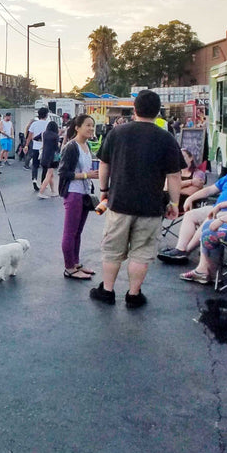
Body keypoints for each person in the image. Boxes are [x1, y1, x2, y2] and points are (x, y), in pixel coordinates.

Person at [90, 89, 183, 308]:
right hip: (150, 206)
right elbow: (174, 175)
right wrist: (174, 202)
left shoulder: (117, 133)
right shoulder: (166, 138)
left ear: (134, 109)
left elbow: (104, 164)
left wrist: (104, 190)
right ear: (158, 112)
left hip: (119, 202)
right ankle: (133, 295)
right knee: (141, 254)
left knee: (112, 250)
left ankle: (107, 291)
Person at [157, 149, 227, 264]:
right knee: (190, 214)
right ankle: (180, 249)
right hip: (216, 207)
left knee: (210, 218)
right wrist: (191, 198)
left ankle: (185, 252)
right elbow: (210, 190)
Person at [57, 115, 99, 280]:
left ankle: (76, 263)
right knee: (70, 232)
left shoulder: (87, 145)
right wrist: (85, 175)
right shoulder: (71, 147)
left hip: (85, 192)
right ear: (77, 127)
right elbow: (63, 172)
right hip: (73, 193)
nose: (90, 129)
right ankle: (69, 267)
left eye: (92, 126)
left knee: (78, 232)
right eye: (87, 125)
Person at [179, 193, 227, 285]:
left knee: (209, 234)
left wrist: (225, 219)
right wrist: (220, 205)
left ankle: (211, 274)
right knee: (209, 224)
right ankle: (205, 270)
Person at [25, 107, 49, 190]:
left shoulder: (34, 124)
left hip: (35, 147)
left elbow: (29, 136)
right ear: (46, 115)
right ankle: (43, 182)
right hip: (45, 148)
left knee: (35, 165)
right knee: (45, 166)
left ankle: (34, 179)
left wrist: (26, 145)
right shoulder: (48, 124)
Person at [37, 120, 61, 198]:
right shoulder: (55, 136)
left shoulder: (44, 134)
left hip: (44, 155)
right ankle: (41, 192)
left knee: (51, 175)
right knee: (49, 175)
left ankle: (53, 191)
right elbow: (56, 147)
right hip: (52, 157)